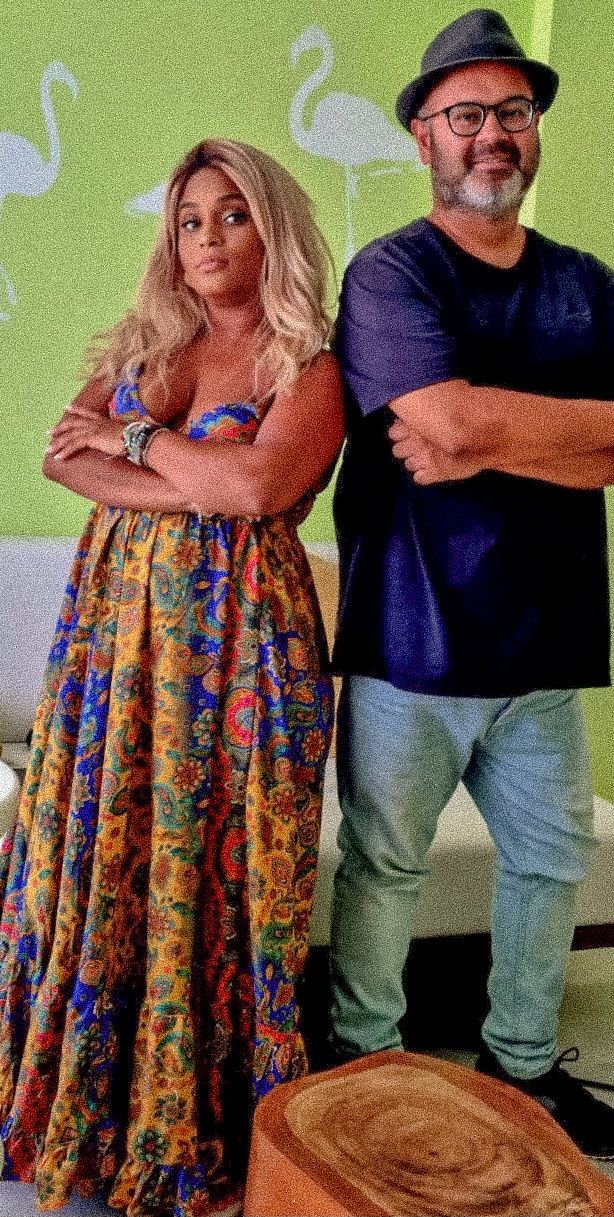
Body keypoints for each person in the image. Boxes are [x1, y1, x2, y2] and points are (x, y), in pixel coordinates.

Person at [329, 9, 614, 1161]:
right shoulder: (389, 274)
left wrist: (484, 439)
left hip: (544, 648)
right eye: (466, 113)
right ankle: (363, 1069)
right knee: (385, 865)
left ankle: (522, 1066)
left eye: (512, 112)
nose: (492, 133)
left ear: (534, 131)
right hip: (411, 640)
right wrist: (554, 427)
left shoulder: (587, 285)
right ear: (423, 136)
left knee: (548, 862)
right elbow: (445, 418)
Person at [0, 138, 344, 1216]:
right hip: (117, 641)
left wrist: (141, 439)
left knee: (222, 872)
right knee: (98, 852)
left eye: (232, 215)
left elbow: (261, 487)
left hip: (245, 649)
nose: (207, 238)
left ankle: (197, 1124)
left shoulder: (311, 363)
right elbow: (64, 455)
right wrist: (194, 476)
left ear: (272, 229)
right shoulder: (149, 340)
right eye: (190, 219)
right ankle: (83, 1109)